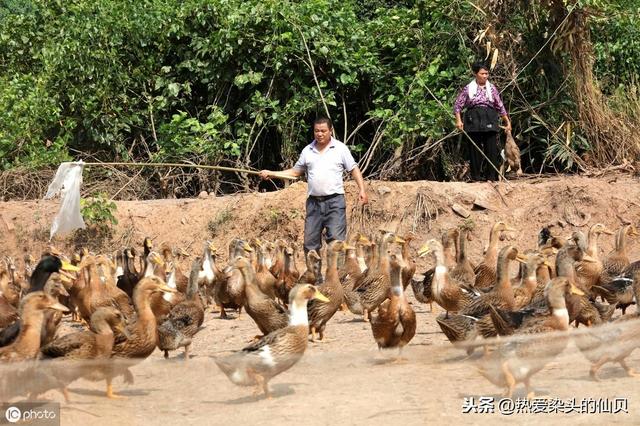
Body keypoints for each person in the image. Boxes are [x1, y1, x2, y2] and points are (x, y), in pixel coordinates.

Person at [259, 117, 368, 256]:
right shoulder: (307, 150)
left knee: (337, 243)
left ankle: (337, 277)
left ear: (331, 131)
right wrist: (272, 173)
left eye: (323, 131)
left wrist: (362, 190)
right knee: (310, 244)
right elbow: (295, 172)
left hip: (335, 202)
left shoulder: (340, 148)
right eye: (317, 131)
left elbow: (353, 169)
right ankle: (314, 277)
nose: (320, 134)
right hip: (314, 204)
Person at [454, 61, 511, 181]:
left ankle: (491, 176)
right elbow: (458, 105)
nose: (485, 76)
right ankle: (476, 177)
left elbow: (499, 105)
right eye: (482, 73)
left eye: (486, 74)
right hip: (473, 117)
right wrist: (458, 121)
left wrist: (507, 121)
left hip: (489, 116)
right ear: (476, 74)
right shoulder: (468, 88)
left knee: (491, 147)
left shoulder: (492, 88)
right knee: (474, 148)